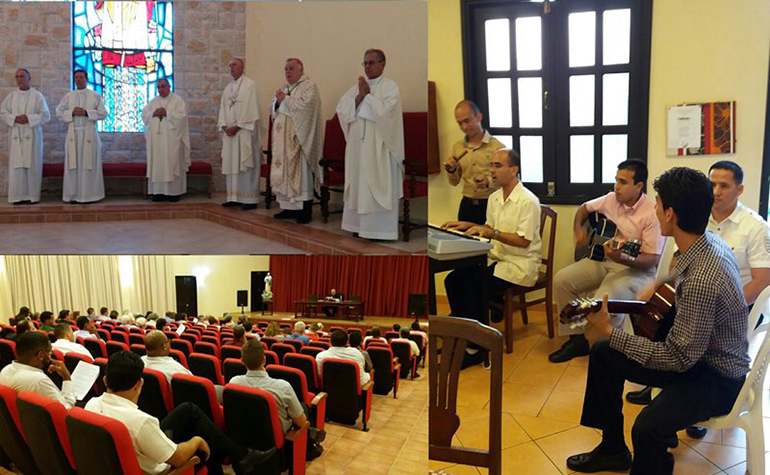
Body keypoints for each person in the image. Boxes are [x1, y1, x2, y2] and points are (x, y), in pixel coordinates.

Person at [565, 167, 749, 475]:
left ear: (670, 214)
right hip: (698, 358)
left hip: (716, 378)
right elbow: (681, 280)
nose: (654, 208)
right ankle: (612, 450)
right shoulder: (708, 243)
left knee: (647, 427)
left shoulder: (703, 277)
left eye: (658, 203)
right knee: (603, 353)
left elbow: (678, 358)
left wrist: (610, 329)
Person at [626, 161, 770, 438]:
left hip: (732, 323)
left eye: (724, 185)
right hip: (698, 309)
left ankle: (685, 406)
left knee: (671, 340)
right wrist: (656, 290)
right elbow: (676, 271)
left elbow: (762, 281)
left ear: (739, 189)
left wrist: (726, 308)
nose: (716, 191)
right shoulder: (700, 226)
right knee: (654, 316)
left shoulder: (754, 226)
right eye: (712, 184)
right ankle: (659, 396)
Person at [548, 159, 664, 363]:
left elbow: (651, 260)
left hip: (635, 270)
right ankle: (576, 340)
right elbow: (584, 208)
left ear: (639, 186)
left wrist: (621, 257)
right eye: (616, 180)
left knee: (604, 298)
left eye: (623, 182)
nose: (616, 187)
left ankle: (614, 352)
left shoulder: (651, 213)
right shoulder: (611, 199)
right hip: (603, 259)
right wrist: (579, 229)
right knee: (562, 280)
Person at [85, 351, 275, 475]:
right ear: (139, 384)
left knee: (189, 410)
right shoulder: (141, 421)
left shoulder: (91, 405)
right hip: (162, 468)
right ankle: (240, 456)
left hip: (132, 454)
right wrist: (197, 441)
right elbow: (177, 458)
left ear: (105, 380)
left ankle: (241, 455)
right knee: (203, 437)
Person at [442, 149, 542, 368]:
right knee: (453, 279)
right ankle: (464, 333)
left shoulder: (528, 201)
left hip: (519, 264)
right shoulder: (495, 197)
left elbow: (523, 241)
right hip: (496, 257)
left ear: (514, 170)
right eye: (492, 165)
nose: (492, 170)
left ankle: (477, 347)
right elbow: (489, 227)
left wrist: (493, 234)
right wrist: (469, 225)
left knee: (474, 283)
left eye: (498, 166)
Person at [336, 48, 404, 241]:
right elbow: (342, 109)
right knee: (359, 184)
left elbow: (385, 114)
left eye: (371, 62)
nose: (367, 66)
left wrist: (367, 96)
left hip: (380, 149)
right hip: (359, 148)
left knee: (376, 185)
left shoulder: (391, 87)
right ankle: (358, 226)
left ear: (383, 64)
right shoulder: (356, 88)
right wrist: (358, 97)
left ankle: (379, 231)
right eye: (365, 63)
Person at [230, 339, 325, 460]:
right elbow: (301, 423)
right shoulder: (283, 387)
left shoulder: (233, 383)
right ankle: (309, 447)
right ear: (264, 360)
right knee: (304, 409)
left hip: (246, 436)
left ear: (242, 361)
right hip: (276, 441)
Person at [270, 58, 323, 224]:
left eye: (291, 68)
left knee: (302, 177)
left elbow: (306, 108)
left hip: (299, 141)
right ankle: (288, 208)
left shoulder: (309, 87)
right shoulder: (285, 88)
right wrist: (277, 104)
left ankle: (304, 211)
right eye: (285, 69)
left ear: (301, 70)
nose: (287, 72)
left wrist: (284, 101)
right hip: (282, 142)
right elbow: (273, 109)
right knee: (284, 173)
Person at [444, 100, 504, 224]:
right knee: (464, 242)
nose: (464, 127)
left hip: (491, 204)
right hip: (467, 205)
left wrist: (488, 181)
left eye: (467, 121)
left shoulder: (497, 147)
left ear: (479, 117)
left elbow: (507, 178)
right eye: (460, 123)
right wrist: (451, 170)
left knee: (491, 242)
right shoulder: (457, 147)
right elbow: (454, 182)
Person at [56, 69, 108, 204]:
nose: (78, 79)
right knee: (73, 164)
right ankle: (73, 195)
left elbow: (103, 113)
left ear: (86, 79)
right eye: (76, 77)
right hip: (73, 133)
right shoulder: (69, 96)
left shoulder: (95, 96)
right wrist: (71, 112)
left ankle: (90, 195)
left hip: (89, 133)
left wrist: (87, 112)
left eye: (81, 77)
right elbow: (58, 112)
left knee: (88, 164)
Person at [1, 68, 50, 205]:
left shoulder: (37, 96)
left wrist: (29, 118)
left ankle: (31, 196)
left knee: (32, 164)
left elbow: (46, 115)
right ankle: (17, 196)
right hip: (16, 135)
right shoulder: (11, 96)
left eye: (22, 76)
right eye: (17, 77)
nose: (19, 79)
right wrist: (15, 118)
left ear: (29, 78)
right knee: (17, 165)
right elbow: (3, 112)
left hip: (32, 135)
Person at [218, 58, 261, 211]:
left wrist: (238, 126)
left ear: (242, 66)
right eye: (230, 65)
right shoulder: (228, 88)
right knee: (232, 164)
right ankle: (233, 197)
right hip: (230, 134)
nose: (231, 68)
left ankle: (249, 199)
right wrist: (224, 126)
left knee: (245, 164)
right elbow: (223, 109)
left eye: (234, 65)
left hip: (244, 133)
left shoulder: (250, 85)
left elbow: (252, 109)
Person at [142, 77, 190, 202]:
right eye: (158, 87)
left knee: (172, 162)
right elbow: (144, 115)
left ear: (169, 86)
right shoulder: (153, 102)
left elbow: (182, 117)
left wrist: (167, 113)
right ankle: (158, 192)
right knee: (158, 164)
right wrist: (153, 113)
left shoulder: (177, 100)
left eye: (163, 86)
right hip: (157, 142)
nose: (160, 89)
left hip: (171, 141)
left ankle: (174, 192)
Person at [0, 332, 76, 408]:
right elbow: (66, 409)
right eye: (49, 352)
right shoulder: (39, 380)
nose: (50, 357)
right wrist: (67, 378)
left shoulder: (5, 369)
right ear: (40, 355)